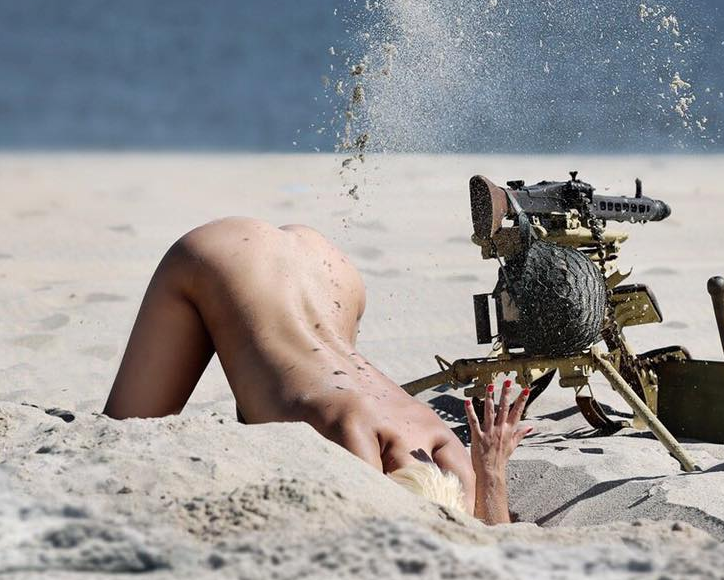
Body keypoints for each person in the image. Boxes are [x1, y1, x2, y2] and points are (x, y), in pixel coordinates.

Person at [103, 217, 533, 525]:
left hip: (329, 271)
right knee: (127, 428)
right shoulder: (354, 434)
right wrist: (492, 474)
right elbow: (374, 523)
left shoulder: (442, 445)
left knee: (271, 391)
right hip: (228, 256)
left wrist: (491, 469)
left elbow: (482, 530)